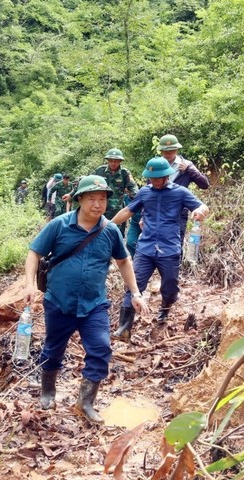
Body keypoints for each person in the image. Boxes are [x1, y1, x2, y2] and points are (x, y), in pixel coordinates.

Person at [24, 176, 149, 424]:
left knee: (101, 349)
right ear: (80, 199)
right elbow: (34, 252)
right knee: (53, 349)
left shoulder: (110, 231)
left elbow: (123, 261)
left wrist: (135, 292)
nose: (97, 204)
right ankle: (47, 392)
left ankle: (86, 402)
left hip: (94, 305)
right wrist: (29, 285)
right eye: (91, 198)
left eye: (102, 199)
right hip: (59, 301)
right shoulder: (59, 226)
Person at [110, 157, 209, 340]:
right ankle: (124, 329)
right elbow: (128, 211)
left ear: (167, 176)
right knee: (134, 285)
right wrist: (107, 225)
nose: (154, 181)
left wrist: (200, 212)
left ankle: (164, 310)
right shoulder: (144, 192)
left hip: (169, 248)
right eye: (151, 178)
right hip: (145, 248)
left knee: (170, 287)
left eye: (158, 178)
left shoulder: (181, 192)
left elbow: (202, 206)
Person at [158, 134, 210, 244]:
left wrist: (190, 170)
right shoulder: (157, 165)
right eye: (165, 151)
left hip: (178, 211)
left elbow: (204, 184)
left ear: (176, 149)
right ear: (161, 151)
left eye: (171, 150)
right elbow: (148, 188)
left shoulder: (186, 164)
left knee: (176, 243)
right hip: (158, 209)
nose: (168, 153)